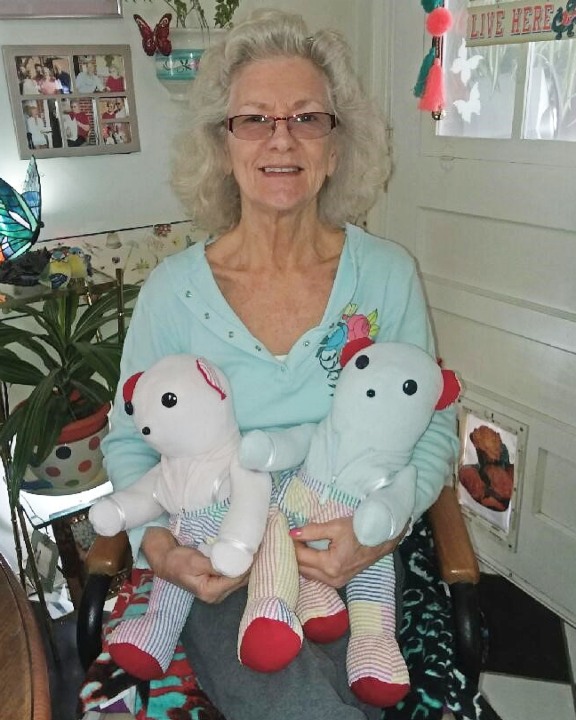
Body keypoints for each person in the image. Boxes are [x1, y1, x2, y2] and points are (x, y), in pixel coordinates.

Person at [101, 9, 459, 720]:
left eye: (307, 118)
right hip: (226, 550)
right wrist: (161, 547)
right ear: (222, 144)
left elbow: (434, 427)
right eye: (254, 119)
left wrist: (376, 533)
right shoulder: (173, 291)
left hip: (356, 545)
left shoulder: (387, 272)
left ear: (336, 144)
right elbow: (125, 439)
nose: (282, 139)